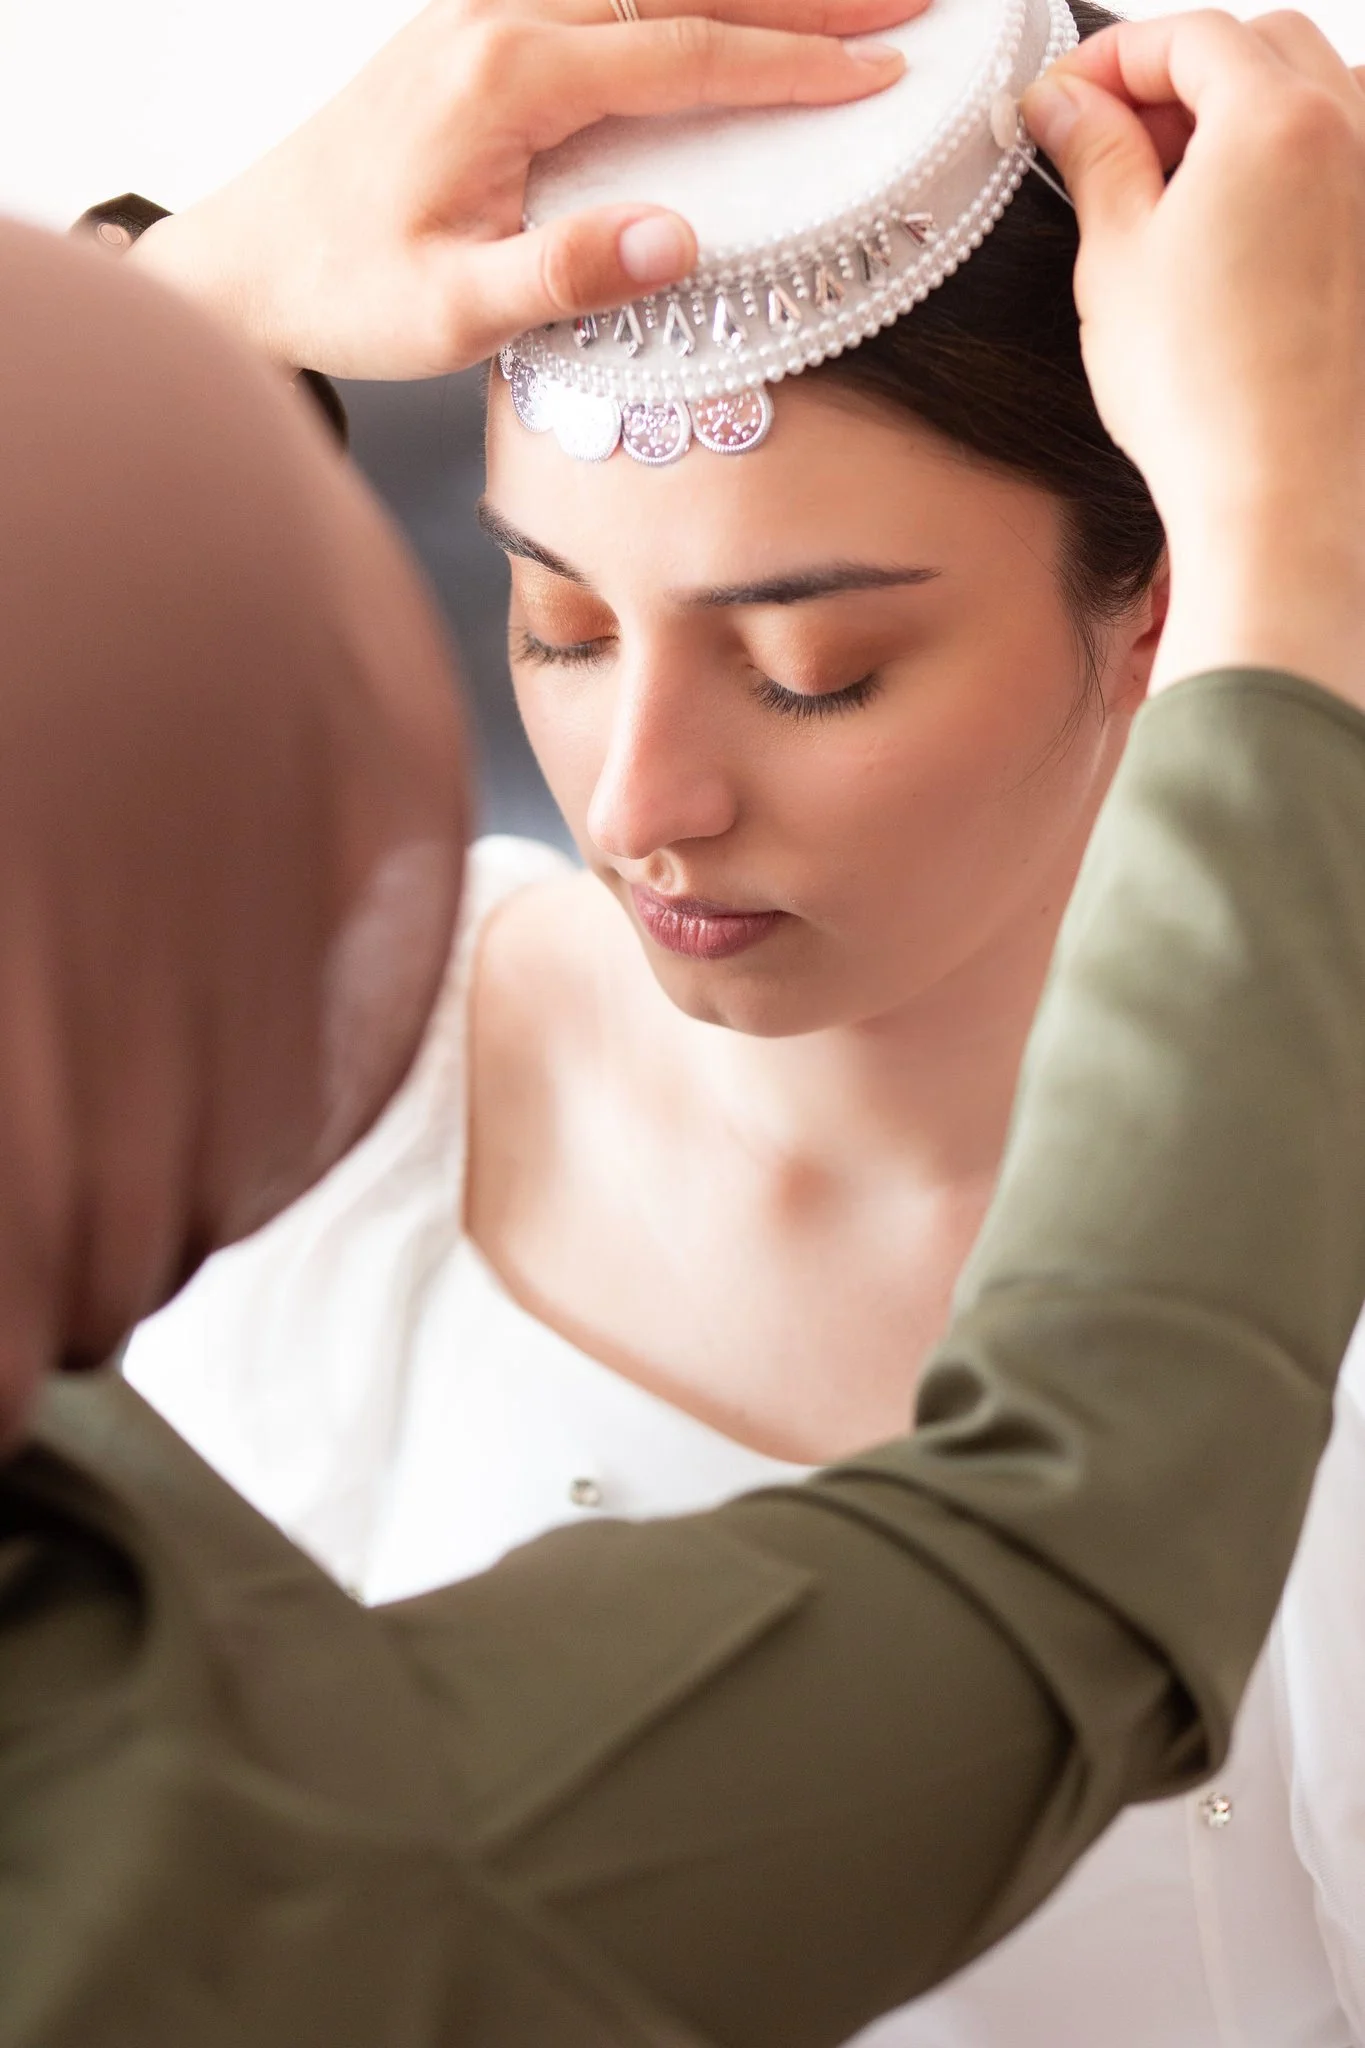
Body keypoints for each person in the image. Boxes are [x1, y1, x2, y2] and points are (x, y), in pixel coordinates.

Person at [5, 12, 1365, 2048]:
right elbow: (1065, 1558)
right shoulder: (290, 1116)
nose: (637, 801)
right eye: (553, 623)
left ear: (1163, 598)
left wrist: (188, 301)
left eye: (813, 670)